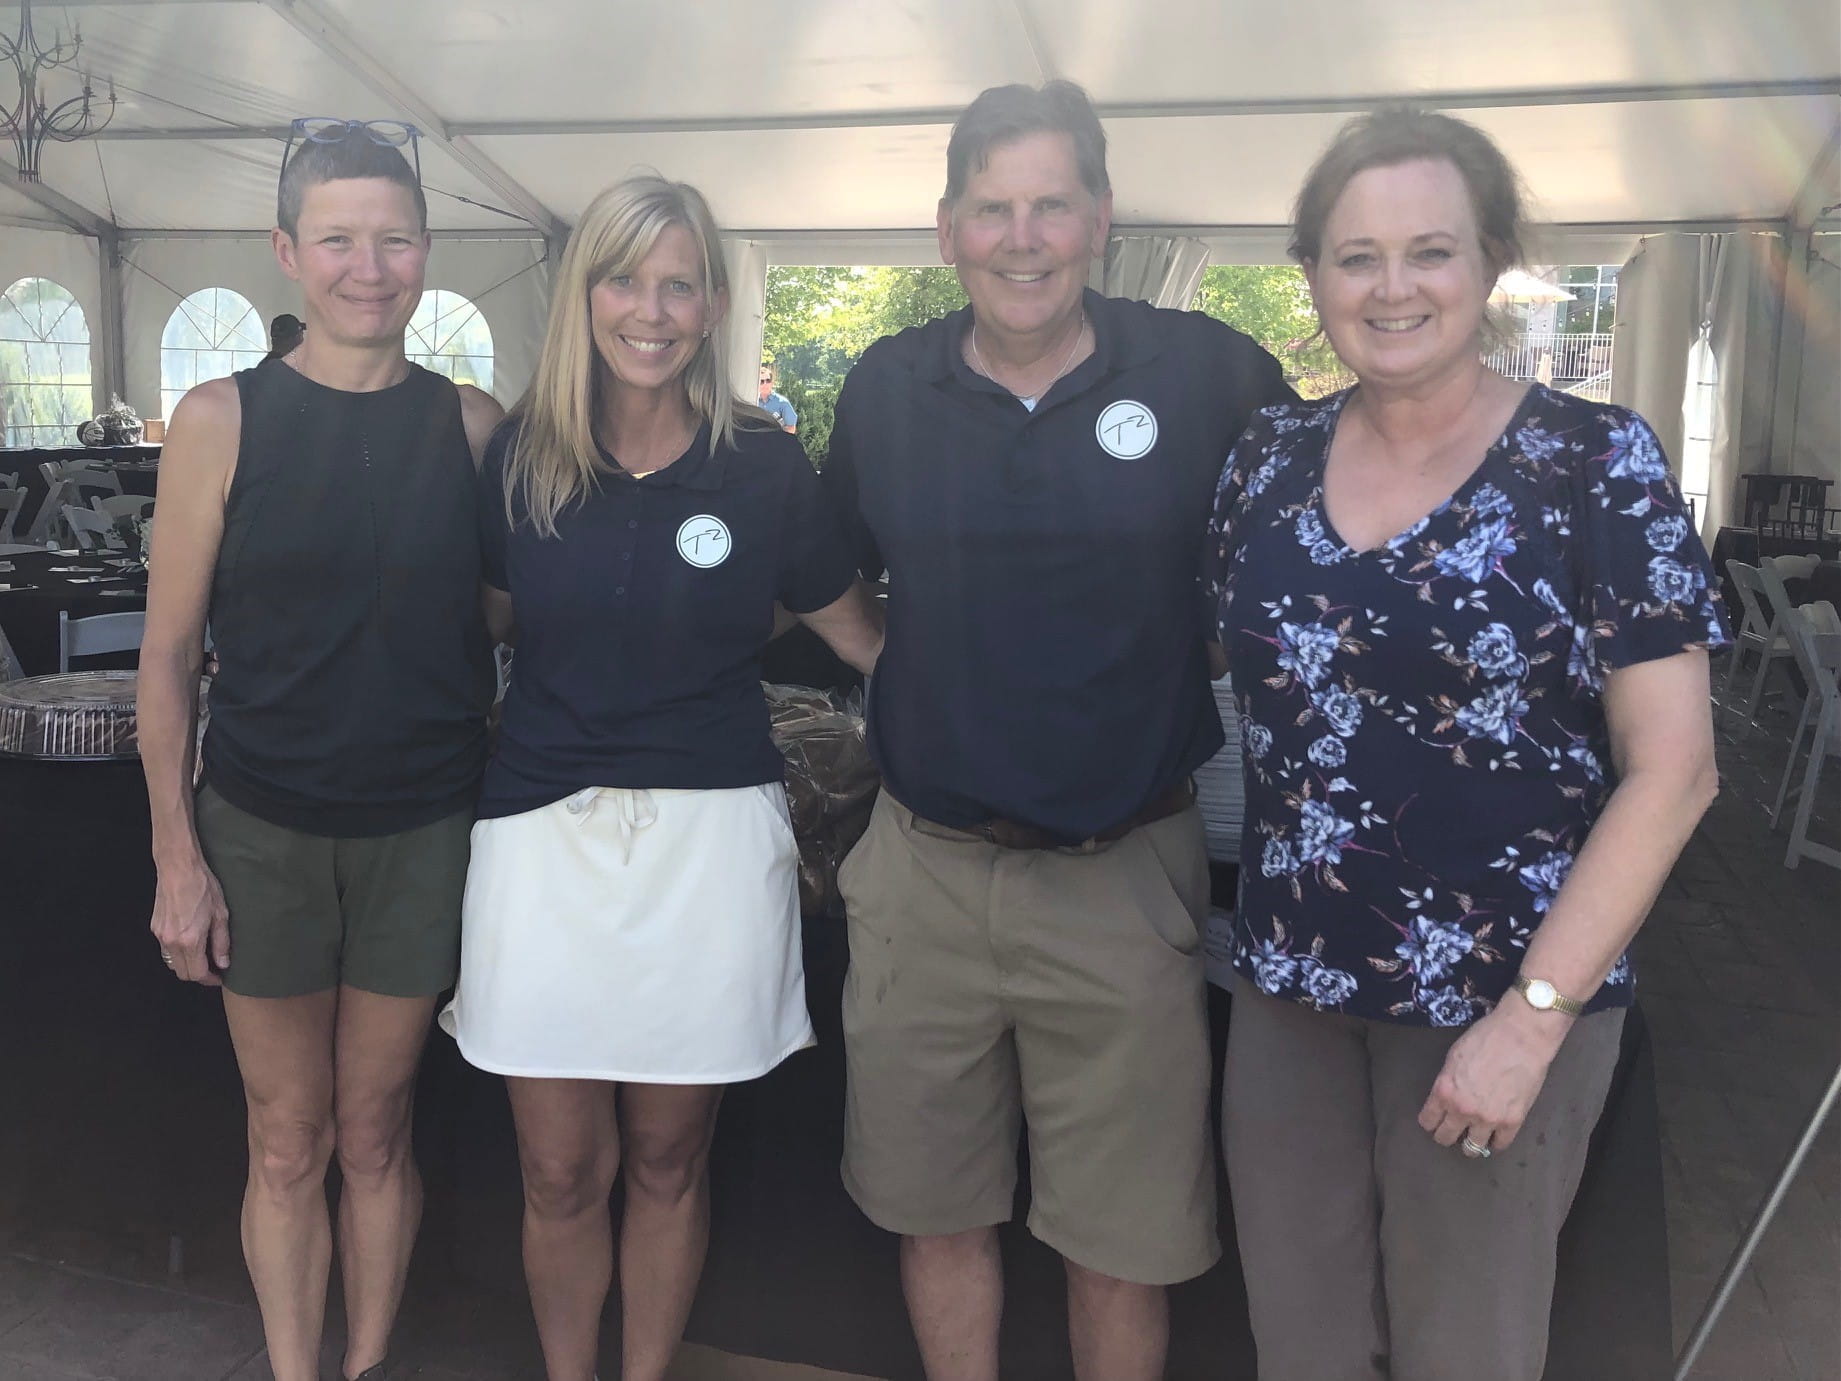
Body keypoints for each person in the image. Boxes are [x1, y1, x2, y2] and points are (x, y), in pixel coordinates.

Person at [1205, 107, 1729, 1381]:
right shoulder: (1263, 462)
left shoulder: (1593, 463)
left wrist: (1532, 1020)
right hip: (1288, 989)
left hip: (1499, 1002)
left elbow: (1676, 769)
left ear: (1489, 260)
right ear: (1312, 273)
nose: (1391, 287)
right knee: (1301, 1345)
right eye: (1354, 255)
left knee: (1465, 1351)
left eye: (1427, 250)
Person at [821, 81, 1293, 1380]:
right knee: (938, 1215)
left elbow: (1298, 550)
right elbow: (821, 562)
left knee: (1120, 1242)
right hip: (925, 875)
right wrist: (888, 657)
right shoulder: (887, 388)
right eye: (991, 210)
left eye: (1049, 206)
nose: (1020, 239)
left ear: (1099, 218)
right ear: (946, 230)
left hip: (1120, 874)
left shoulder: (1206, 374)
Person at [439, 174, 882, 1381]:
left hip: (710, 843)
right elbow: (475, 623)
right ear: (582, 293)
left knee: (669, 1159)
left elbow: (864, 638)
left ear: (714, 303)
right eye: (625, 278)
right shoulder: (518, 461)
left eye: (678, 282)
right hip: (538, 840)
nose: (651, 309)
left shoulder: (763, 468)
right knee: (557, 1169)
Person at [138, 120, 502, 1381]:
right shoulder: (220, 418)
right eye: (339, 239)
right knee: (285, 1139)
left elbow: (512, 615)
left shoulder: (469, 425)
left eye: (393, 238)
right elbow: (168, 656)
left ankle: (363, 1365)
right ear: (289, 253)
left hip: (421, 831)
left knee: (376, 1129)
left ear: (425, 253)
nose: (369, 265)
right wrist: (176, 858)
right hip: (263, 829)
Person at [757, 361, 797, 431]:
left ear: (772, 383)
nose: (765, 384)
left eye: (768, 380)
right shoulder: (752, 401)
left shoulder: (783, 403)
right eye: (761, 381)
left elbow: (791, 428)